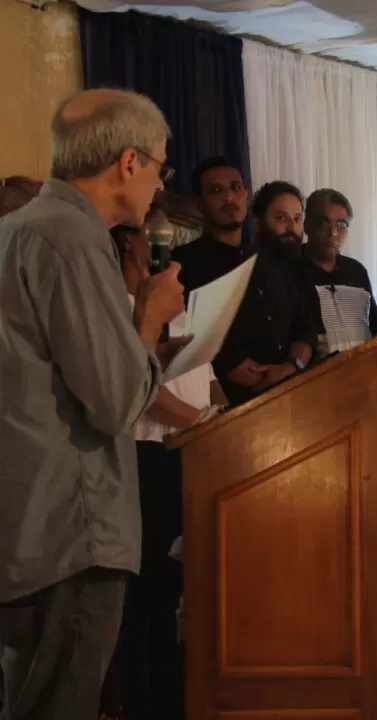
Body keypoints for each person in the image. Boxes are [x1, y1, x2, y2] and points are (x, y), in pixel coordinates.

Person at [0, 88, 186, 720]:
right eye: (160, 167)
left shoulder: (17, 230)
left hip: (27, 524)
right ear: (129, 162)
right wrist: (150, 319)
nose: (159, 185)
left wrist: (136, 336)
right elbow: (114, 403)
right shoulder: (74, 240)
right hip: (71, 533)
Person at [110, 213, 225, 720]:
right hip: (147, 457)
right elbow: (141, 389)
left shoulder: (178, 306)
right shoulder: (116, 307)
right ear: (128, 245)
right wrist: (198, 422)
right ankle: (142, 703)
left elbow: (207, 372)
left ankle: (176, 695)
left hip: (192, 454)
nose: (167, 246)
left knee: (181, 594)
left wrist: (227, 419)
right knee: (148, 595)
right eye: (153, 237)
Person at [212, 181, 321, 405]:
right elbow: (215, 337)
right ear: (257, 222)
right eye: (281, 218)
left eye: (297, 219)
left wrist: (290, 367)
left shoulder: (301, 270)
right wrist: (262, 378)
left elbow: (307, 330)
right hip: (239, 400)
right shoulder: (233, 266)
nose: (291, 227)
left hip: (294, 390)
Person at [297, 188, 377, 352]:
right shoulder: (291, 269)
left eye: (341, 224)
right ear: (306, 226)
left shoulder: (356, 271)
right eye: (323, 223)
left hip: (362, 362)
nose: (333, 232)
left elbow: (376, 326)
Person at [171, 156, 252, 296]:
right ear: (199, 204)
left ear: (247, 197)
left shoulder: (264, 259)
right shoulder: (182, 264)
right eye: (216, 190)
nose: (229, 197)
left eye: (236, 187)